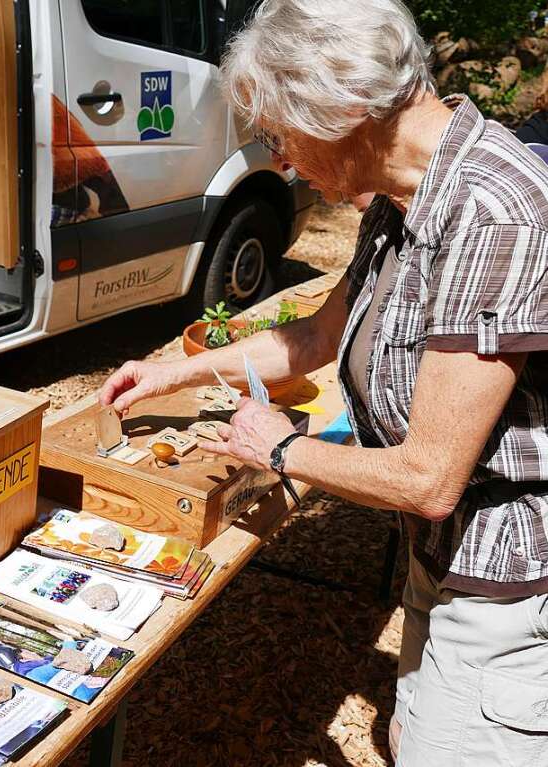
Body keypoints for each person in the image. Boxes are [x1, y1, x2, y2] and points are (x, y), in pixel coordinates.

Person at [98, 1, 548, 764]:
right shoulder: (407, 193)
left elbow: (430, 476)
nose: (279, 160)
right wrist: (174, 371)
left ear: (339, 107)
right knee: (411, 732)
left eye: (279, 134)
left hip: (503, 574)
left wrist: (279, 449)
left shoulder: (492, 212)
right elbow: (314, 336)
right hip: (440, 552)